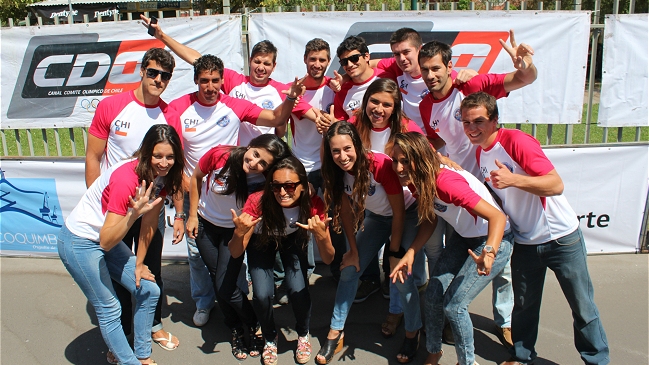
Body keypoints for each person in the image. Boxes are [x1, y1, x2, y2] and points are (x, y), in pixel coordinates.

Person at [460, 92, 610, 365]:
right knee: (525, 307)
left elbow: (555, 185)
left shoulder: (516, 141)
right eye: (466, 122)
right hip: (526, 243)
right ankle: (521, 356)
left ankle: (597, 360)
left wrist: (513, 180)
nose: (471, 128)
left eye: (479, 121)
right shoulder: (480, 151)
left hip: (561, 238)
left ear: (495, 120)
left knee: (583, 307)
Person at [166, 53, 308, 325]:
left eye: (215, 81)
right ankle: (204, 303)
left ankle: (235, 300)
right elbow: (173, 153)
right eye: (204, 81)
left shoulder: (234, 105)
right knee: (197, 258)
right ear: (195, 80)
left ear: (222, 81)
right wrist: (185, 198)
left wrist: (290, 97)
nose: (210, 86)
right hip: (193, 186)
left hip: (230, 191)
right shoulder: (178, 107)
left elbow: (277, 117)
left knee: (234, 255)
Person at [417, 31, 537, 346]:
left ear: (448, 66)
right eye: (425, 69)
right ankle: (444, 315)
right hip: (457, 187)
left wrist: (525, 64)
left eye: (436, 69)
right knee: (453, 251)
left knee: (500, 262)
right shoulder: (426, 106)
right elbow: (435, 138)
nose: (430, 76)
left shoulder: (471, 85)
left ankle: (505, 321)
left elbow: (523, 78)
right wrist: (437, 155)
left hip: (490, 183)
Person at [85, 48, 183, 356]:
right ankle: (122, 337)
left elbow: (176, 167)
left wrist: (179, 212)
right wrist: (97, 204)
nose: (158, 80)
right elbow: (93, 156)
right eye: (153, 72)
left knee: (151, 269)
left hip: (151, 207)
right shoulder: (112, 106)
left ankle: (152, 325)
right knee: (119, 278)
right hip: (117, 207)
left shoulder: (170, 115)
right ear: (142, 71)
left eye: (165, 76)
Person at [59, 124, 184, 365]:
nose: (164, 162)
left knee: (149, 290)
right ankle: (130, 362)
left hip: (105, 240)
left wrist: (138, 264)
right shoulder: (126, 179)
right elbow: (106, 240)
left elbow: (149, 224)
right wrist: (132, 214)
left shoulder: (162, 178)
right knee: (109, 308)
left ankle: (142, 355)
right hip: (80, 242)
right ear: (146, 153)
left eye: (170, 157)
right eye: (158, 156)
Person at [389, 131, 514, 365]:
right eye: (395, 160)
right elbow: (430, 218)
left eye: (405, 160)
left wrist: (489, 252)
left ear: (421, 158)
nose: (398, 168)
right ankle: (434, 352)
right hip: (464, 239)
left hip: (494, 241)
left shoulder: (445, 182)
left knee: (455, 306)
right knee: (434, 295)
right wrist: (411, 252)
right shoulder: (418, 179)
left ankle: (467, 362)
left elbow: (498, 217)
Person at [314, 121, 421, 364]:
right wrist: (353, 250)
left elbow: (399, 212)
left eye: (347, 148)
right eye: (336, 151)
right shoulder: (334, 172)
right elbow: (347, 211)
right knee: (350, 270)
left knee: (401, 277)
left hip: (406, 215)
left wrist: (394, 252)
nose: (342, 156)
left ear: (358, 145)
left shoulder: (379, 164)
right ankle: (335, 331)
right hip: (379, 217)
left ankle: (412, 332)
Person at [187, 134, 290, 361]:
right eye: (255, 154)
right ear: (250, 146)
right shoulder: (219, 155)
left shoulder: (264, 179)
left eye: (263, 163)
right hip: (205, 226)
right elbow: (195, 177)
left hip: (234, 233)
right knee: (219, 280)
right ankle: (236, 328)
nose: (254, 163)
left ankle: (252, 323)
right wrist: (191, 215)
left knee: (224, 286)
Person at [229, 156, 335, 365]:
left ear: (304, 186)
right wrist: (239, 234)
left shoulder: (313, 203)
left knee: (298, 290)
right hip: (262, 242)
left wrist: (322, 237)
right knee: (261, 294)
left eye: (289, 186)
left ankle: (303, 334)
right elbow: (235, 253)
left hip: (292, 240)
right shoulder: (257, 201)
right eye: (276, 186)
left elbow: (329, 258)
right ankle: (270, 336)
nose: (283, 192)